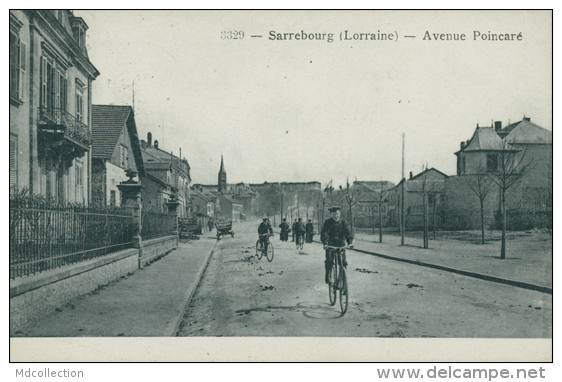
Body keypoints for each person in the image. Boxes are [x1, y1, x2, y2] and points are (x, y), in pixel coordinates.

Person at [321, 206, 353, 284]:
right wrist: (325, 243)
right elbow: (324, 233)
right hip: (330, 245)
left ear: (340, 214)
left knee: (343, 262)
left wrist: (350, 242)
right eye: (334, 214)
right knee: (329, 260)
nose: (336, 216)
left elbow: (348, 232)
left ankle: (343, 279)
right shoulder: (327, 222)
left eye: (337, 214)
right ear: (331, 214)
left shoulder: (344, 222)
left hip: (341, 245)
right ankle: (328, 274)